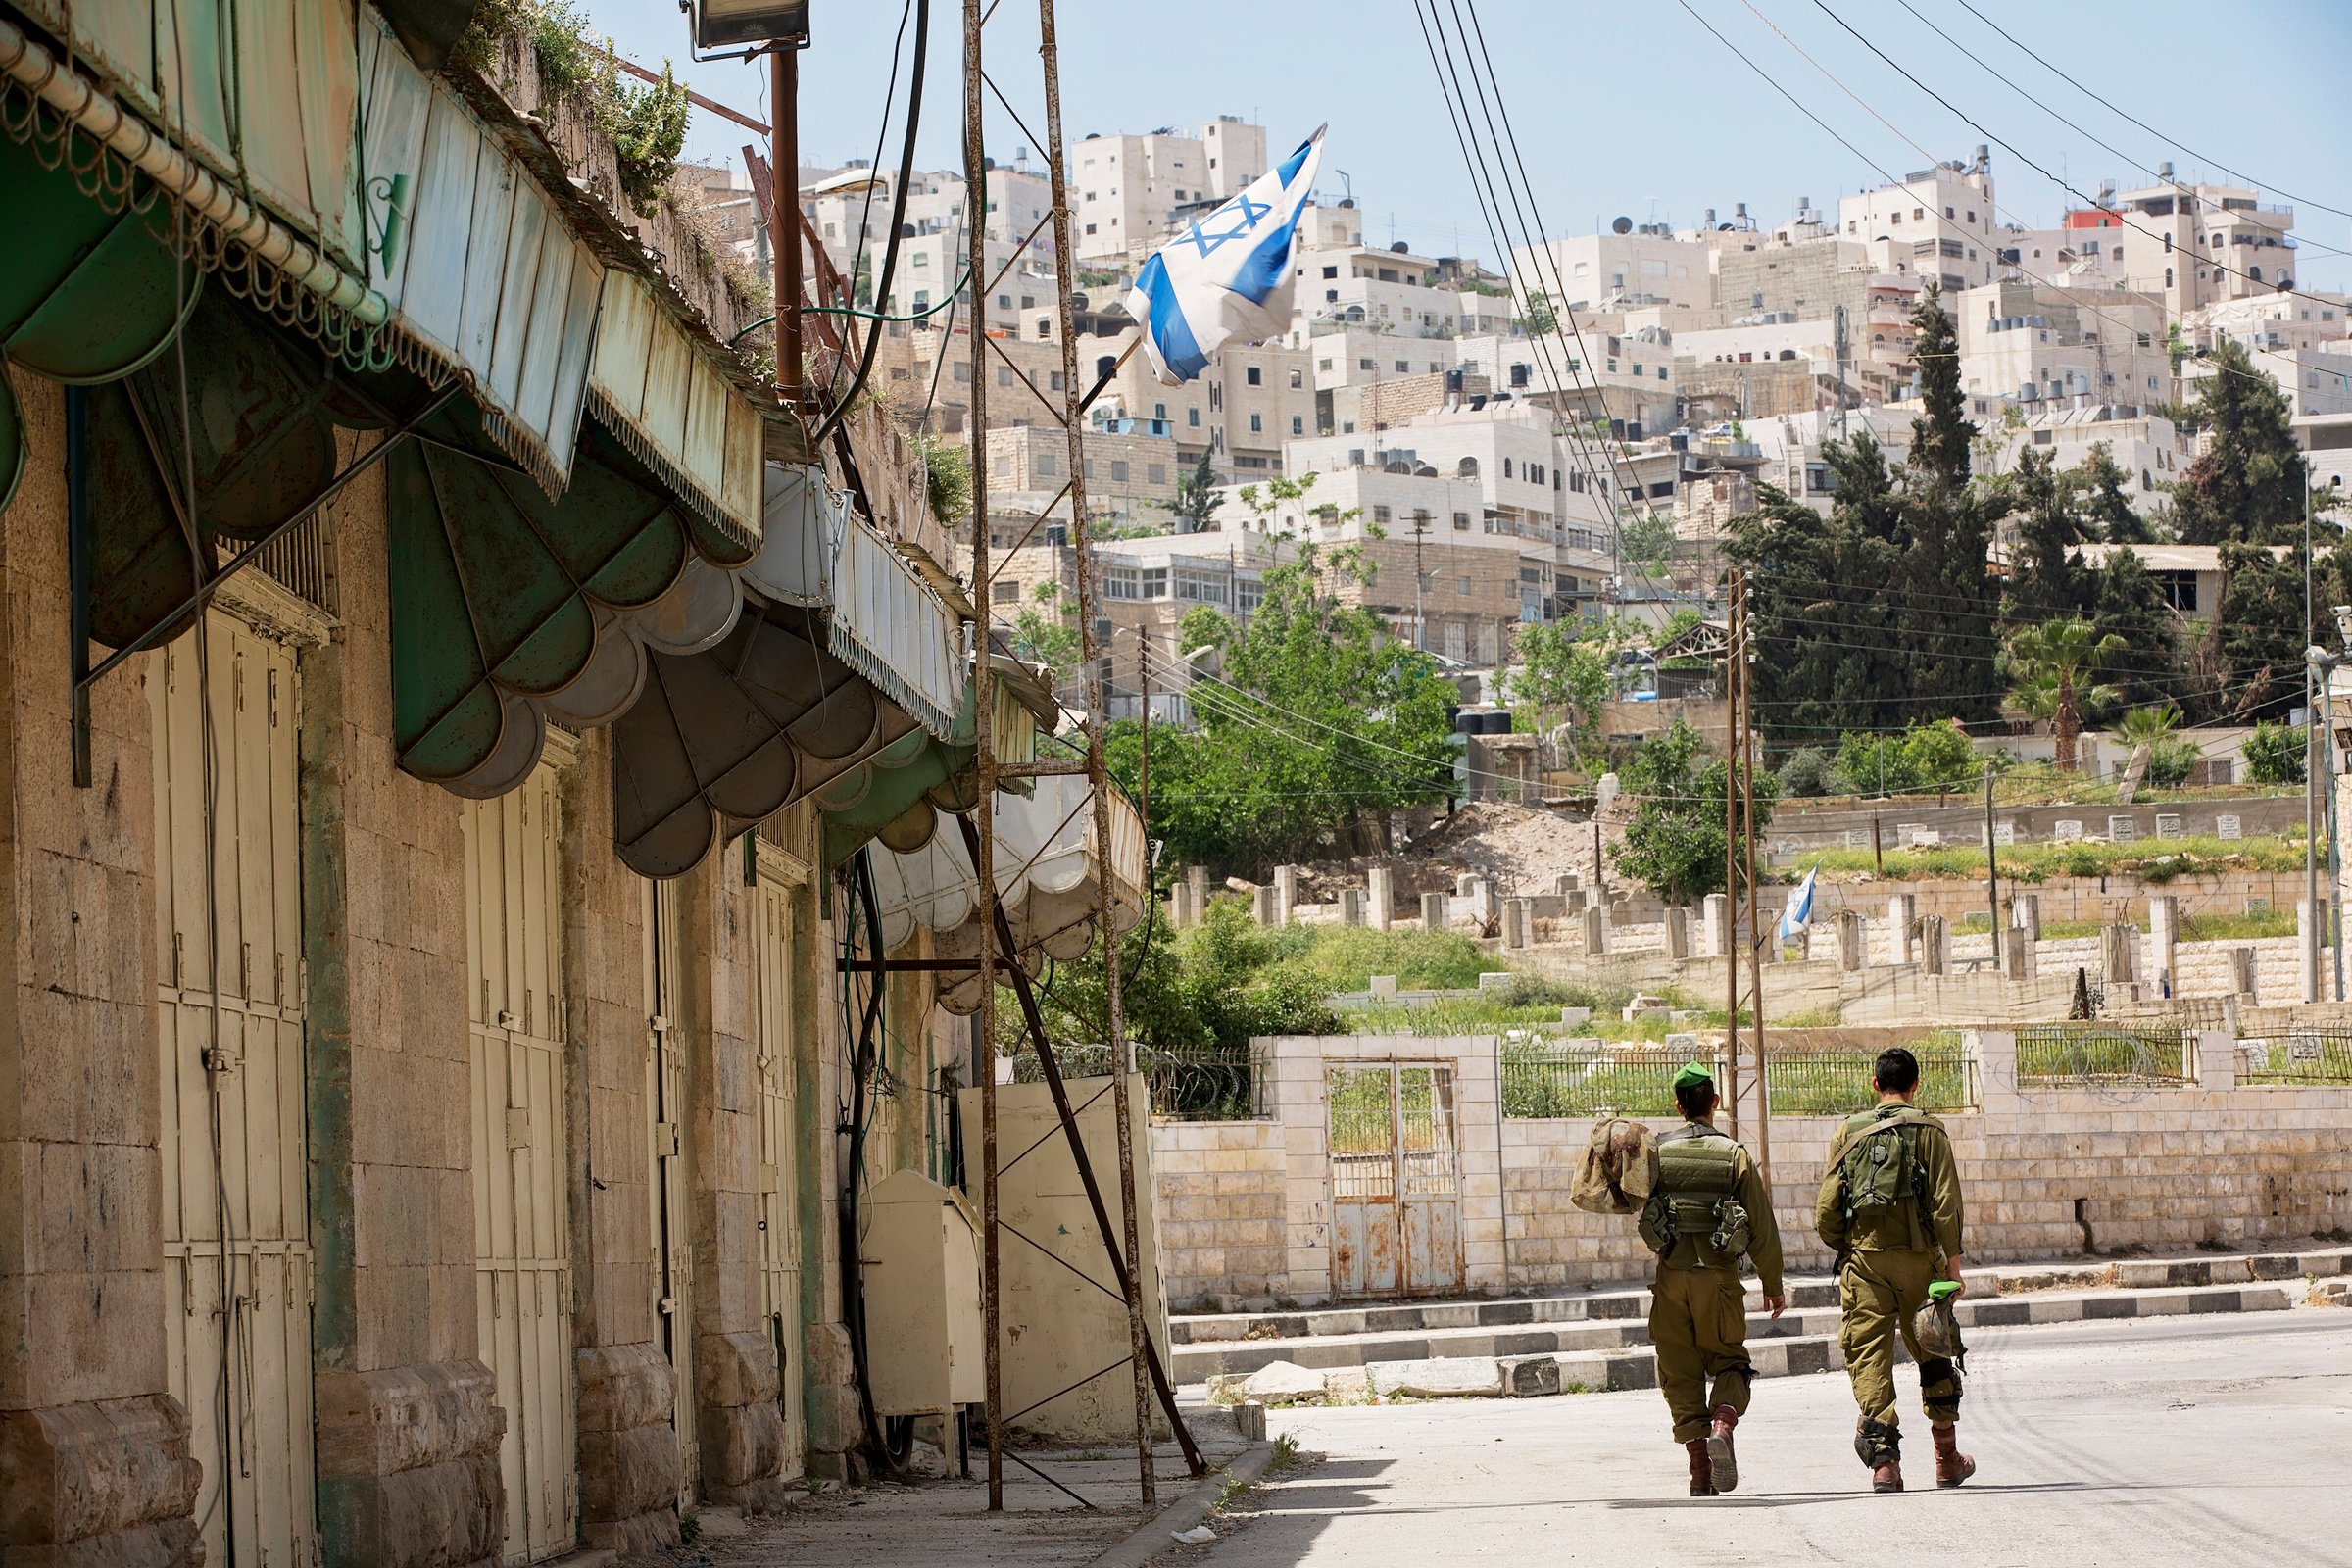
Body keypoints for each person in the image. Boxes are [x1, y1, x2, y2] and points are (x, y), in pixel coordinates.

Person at [1815, 1046, 1976, 1493]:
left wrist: (1850, 1248)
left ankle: (1885, 1465)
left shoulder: (1849, 1132)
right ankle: (1946, 1459)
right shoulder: (1931, 1131)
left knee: (1869, 1355)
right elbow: (1946, 1204)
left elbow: (1826, 1210)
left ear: (1875, 1084)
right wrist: (1954, 1268)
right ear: (1915, 1085)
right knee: (1934, 1348)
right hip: (1922, 1264)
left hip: (1866, 1264)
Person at [1641, 1061, 1785, 1496]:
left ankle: (1700, 1471)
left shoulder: (1657, 1153)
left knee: (1679, 1371)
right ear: (1716, 1102)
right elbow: (1761, 1225)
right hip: (1719, 1279)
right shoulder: (1734, 1154)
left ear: (1678, 1106)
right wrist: (1772, 1283)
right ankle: (1723, 1422)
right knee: (1730, 1362)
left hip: (1671, 1279)